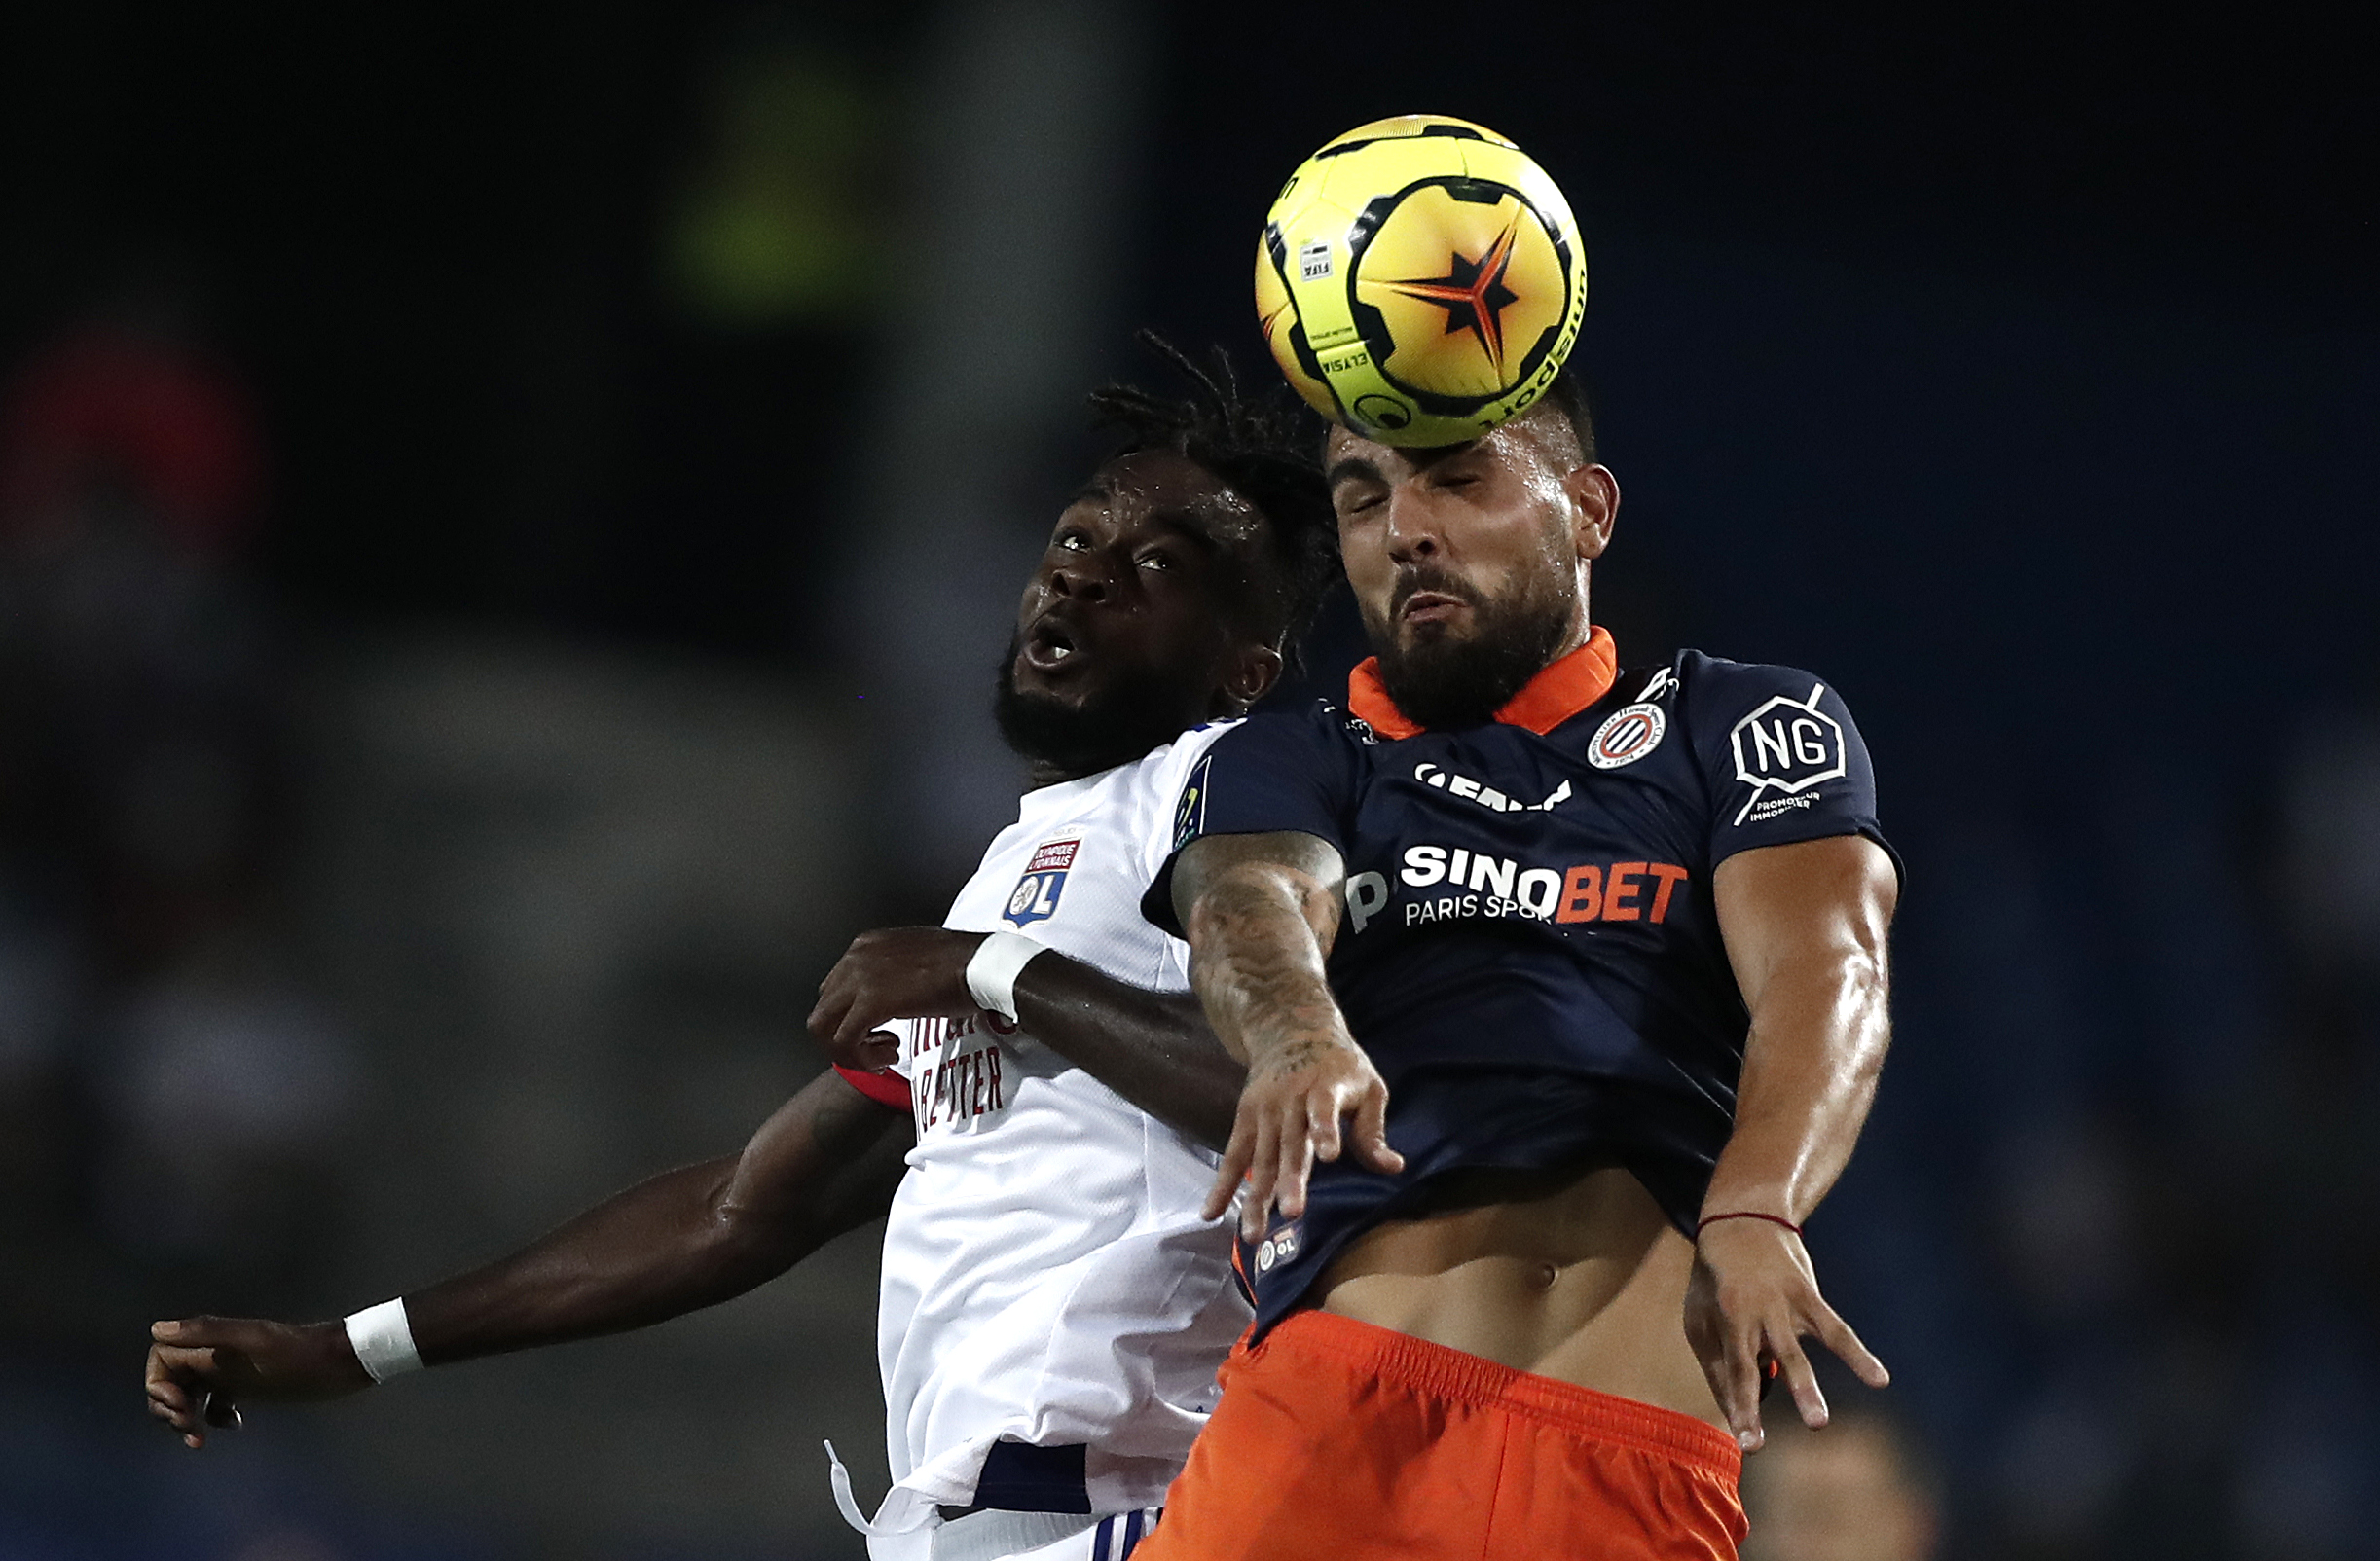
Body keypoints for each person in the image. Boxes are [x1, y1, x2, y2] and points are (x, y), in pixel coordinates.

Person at [142, 347, 1342, 1561]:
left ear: (1243, 668)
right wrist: (353, 1346)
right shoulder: (1033, 861)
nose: (1084, 578)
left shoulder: (1220, 798)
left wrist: (995, 973)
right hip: (993, 1523)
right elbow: (746, 1202)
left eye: (1156, 567)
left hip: (1121, 1513)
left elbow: (1298, 1090)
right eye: (1076, 539)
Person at [1135, 371, 1901, 1560]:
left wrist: (1758, 1200)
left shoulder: (1735, 725)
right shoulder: (1294, 759)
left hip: (1627, 1469)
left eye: (1457, 478)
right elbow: (1249, 900)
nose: (1407, 529)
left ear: (1589, 508)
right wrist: (1296, 1032)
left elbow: (1828, 968)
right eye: (1363, 497)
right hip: (1335, 1429)